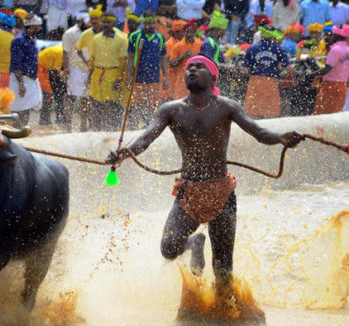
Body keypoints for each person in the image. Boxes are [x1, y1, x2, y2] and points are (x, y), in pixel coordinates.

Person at [106, 54, 303, 296]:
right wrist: (123, 153)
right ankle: (194, 243)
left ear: (212, 78)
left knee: (223, 268)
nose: (191, 70)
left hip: (221, 192)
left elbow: (259, 132)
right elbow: (145, 137)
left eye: (199, 67)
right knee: (169, 248)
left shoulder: (226, 107)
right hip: (190, 192)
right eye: (189, 67)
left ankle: (224, 318)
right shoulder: (171, 110)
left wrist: (281, 138)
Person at [88, 12, 129, 130]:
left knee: (110, 105)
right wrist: (89, 75)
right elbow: (92, 59)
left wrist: (119, 79)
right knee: (95, 104)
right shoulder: (96, 38)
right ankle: (95, 131)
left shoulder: (121, 39)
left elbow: (123, 62)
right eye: (104, 22)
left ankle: (109, 132)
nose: (106, 24)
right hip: (97, 74)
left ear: (113, 23)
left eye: (108, 22)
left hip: (113, 74)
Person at [127, 11, 168, 127]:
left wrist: (165, 78)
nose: (150, 25)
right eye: (148, 23)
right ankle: (134, 126)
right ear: (143, 23)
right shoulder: (135, 37)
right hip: (138, 76)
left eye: (152, 23)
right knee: (137, 104)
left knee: (153, 105)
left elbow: (163, 58)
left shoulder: (160, 38)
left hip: (154, 77)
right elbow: (130, 58)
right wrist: (129, 77)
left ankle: (150, 126)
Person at [242, 25, 289, 118]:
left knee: (252, 113)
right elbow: (287, 68)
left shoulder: (252, 48)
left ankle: (251, 131)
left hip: (255, 82)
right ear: (273, 36)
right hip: (271, 82)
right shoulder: (279, 49)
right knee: (271, 113)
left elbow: (244, 70)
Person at [9, 14, 44, 127]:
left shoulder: (32, 39)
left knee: (27, 107)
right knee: (19, 109)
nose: (40, 28)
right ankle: (17, 134)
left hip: (30, 78)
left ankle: (22, 132)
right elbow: (17, 63)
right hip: (20, 79)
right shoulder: (18, 40)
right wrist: (21, 84)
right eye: (38, 26)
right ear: (32, 26)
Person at [312, 25, 349, 114]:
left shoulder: (335, 49)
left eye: (331, 35)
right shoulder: (347, 49)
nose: (329, 38)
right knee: (335, 113)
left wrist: (311, 74)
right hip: (343, 86)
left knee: (321, 113)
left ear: (336, 36)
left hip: (330, 86)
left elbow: (327, 68)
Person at [63, 12, 91, 131]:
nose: (89, 24)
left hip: (88, 69)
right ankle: (68, 125)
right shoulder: (70, 33)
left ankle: (83, 125)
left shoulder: (91, 32)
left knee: (85, 99)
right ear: (79, 21)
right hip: (74, 69)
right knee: (71, 97)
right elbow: (65, 52)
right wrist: (66, 68)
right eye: (86, 22)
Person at [169, 19, 202, 99]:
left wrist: (196, 57)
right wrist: (182, 57)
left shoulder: (200, 44)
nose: (189, 34)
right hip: (182, 82)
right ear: (184, 32)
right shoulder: (178, 46)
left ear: (194, 32)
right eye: (187, 31)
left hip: (197, 81)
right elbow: (172, 65)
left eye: (191, 31)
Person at [38, 44, 66, 126]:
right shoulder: (61, 54)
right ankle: (44, 119)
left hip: (48, 68)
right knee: (48, 93)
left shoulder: (64, 50)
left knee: (58, 92)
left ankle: (59, 117)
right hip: (41, 67)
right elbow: (56, 72)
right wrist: (64, 81)